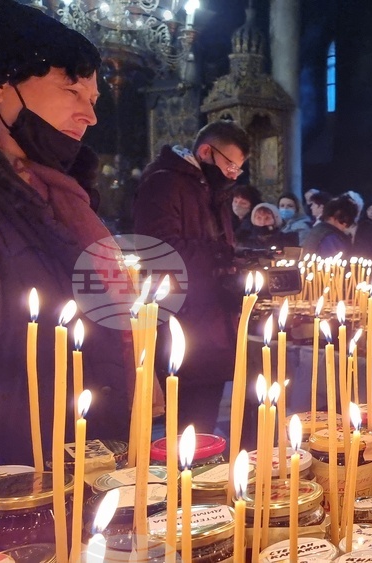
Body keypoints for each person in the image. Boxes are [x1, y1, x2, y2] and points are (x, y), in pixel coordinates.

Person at [0, 0, 132, 464]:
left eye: (93, 100)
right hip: (15, 472)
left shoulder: (62, 195)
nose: (90, 116)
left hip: (75, 453)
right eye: (71, 90)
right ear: (1, 84)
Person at [134, 120, 251, 435]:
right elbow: (159, 251)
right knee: (187, 426)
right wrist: (222, 255)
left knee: (204, 425)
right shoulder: (164, 183)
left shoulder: (210, 189)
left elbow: (220, 245)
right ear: (206, 152)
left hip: (211, 324)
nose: (232, 175)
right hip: (184, 324)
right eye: (229, 165)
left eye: (238, 170)